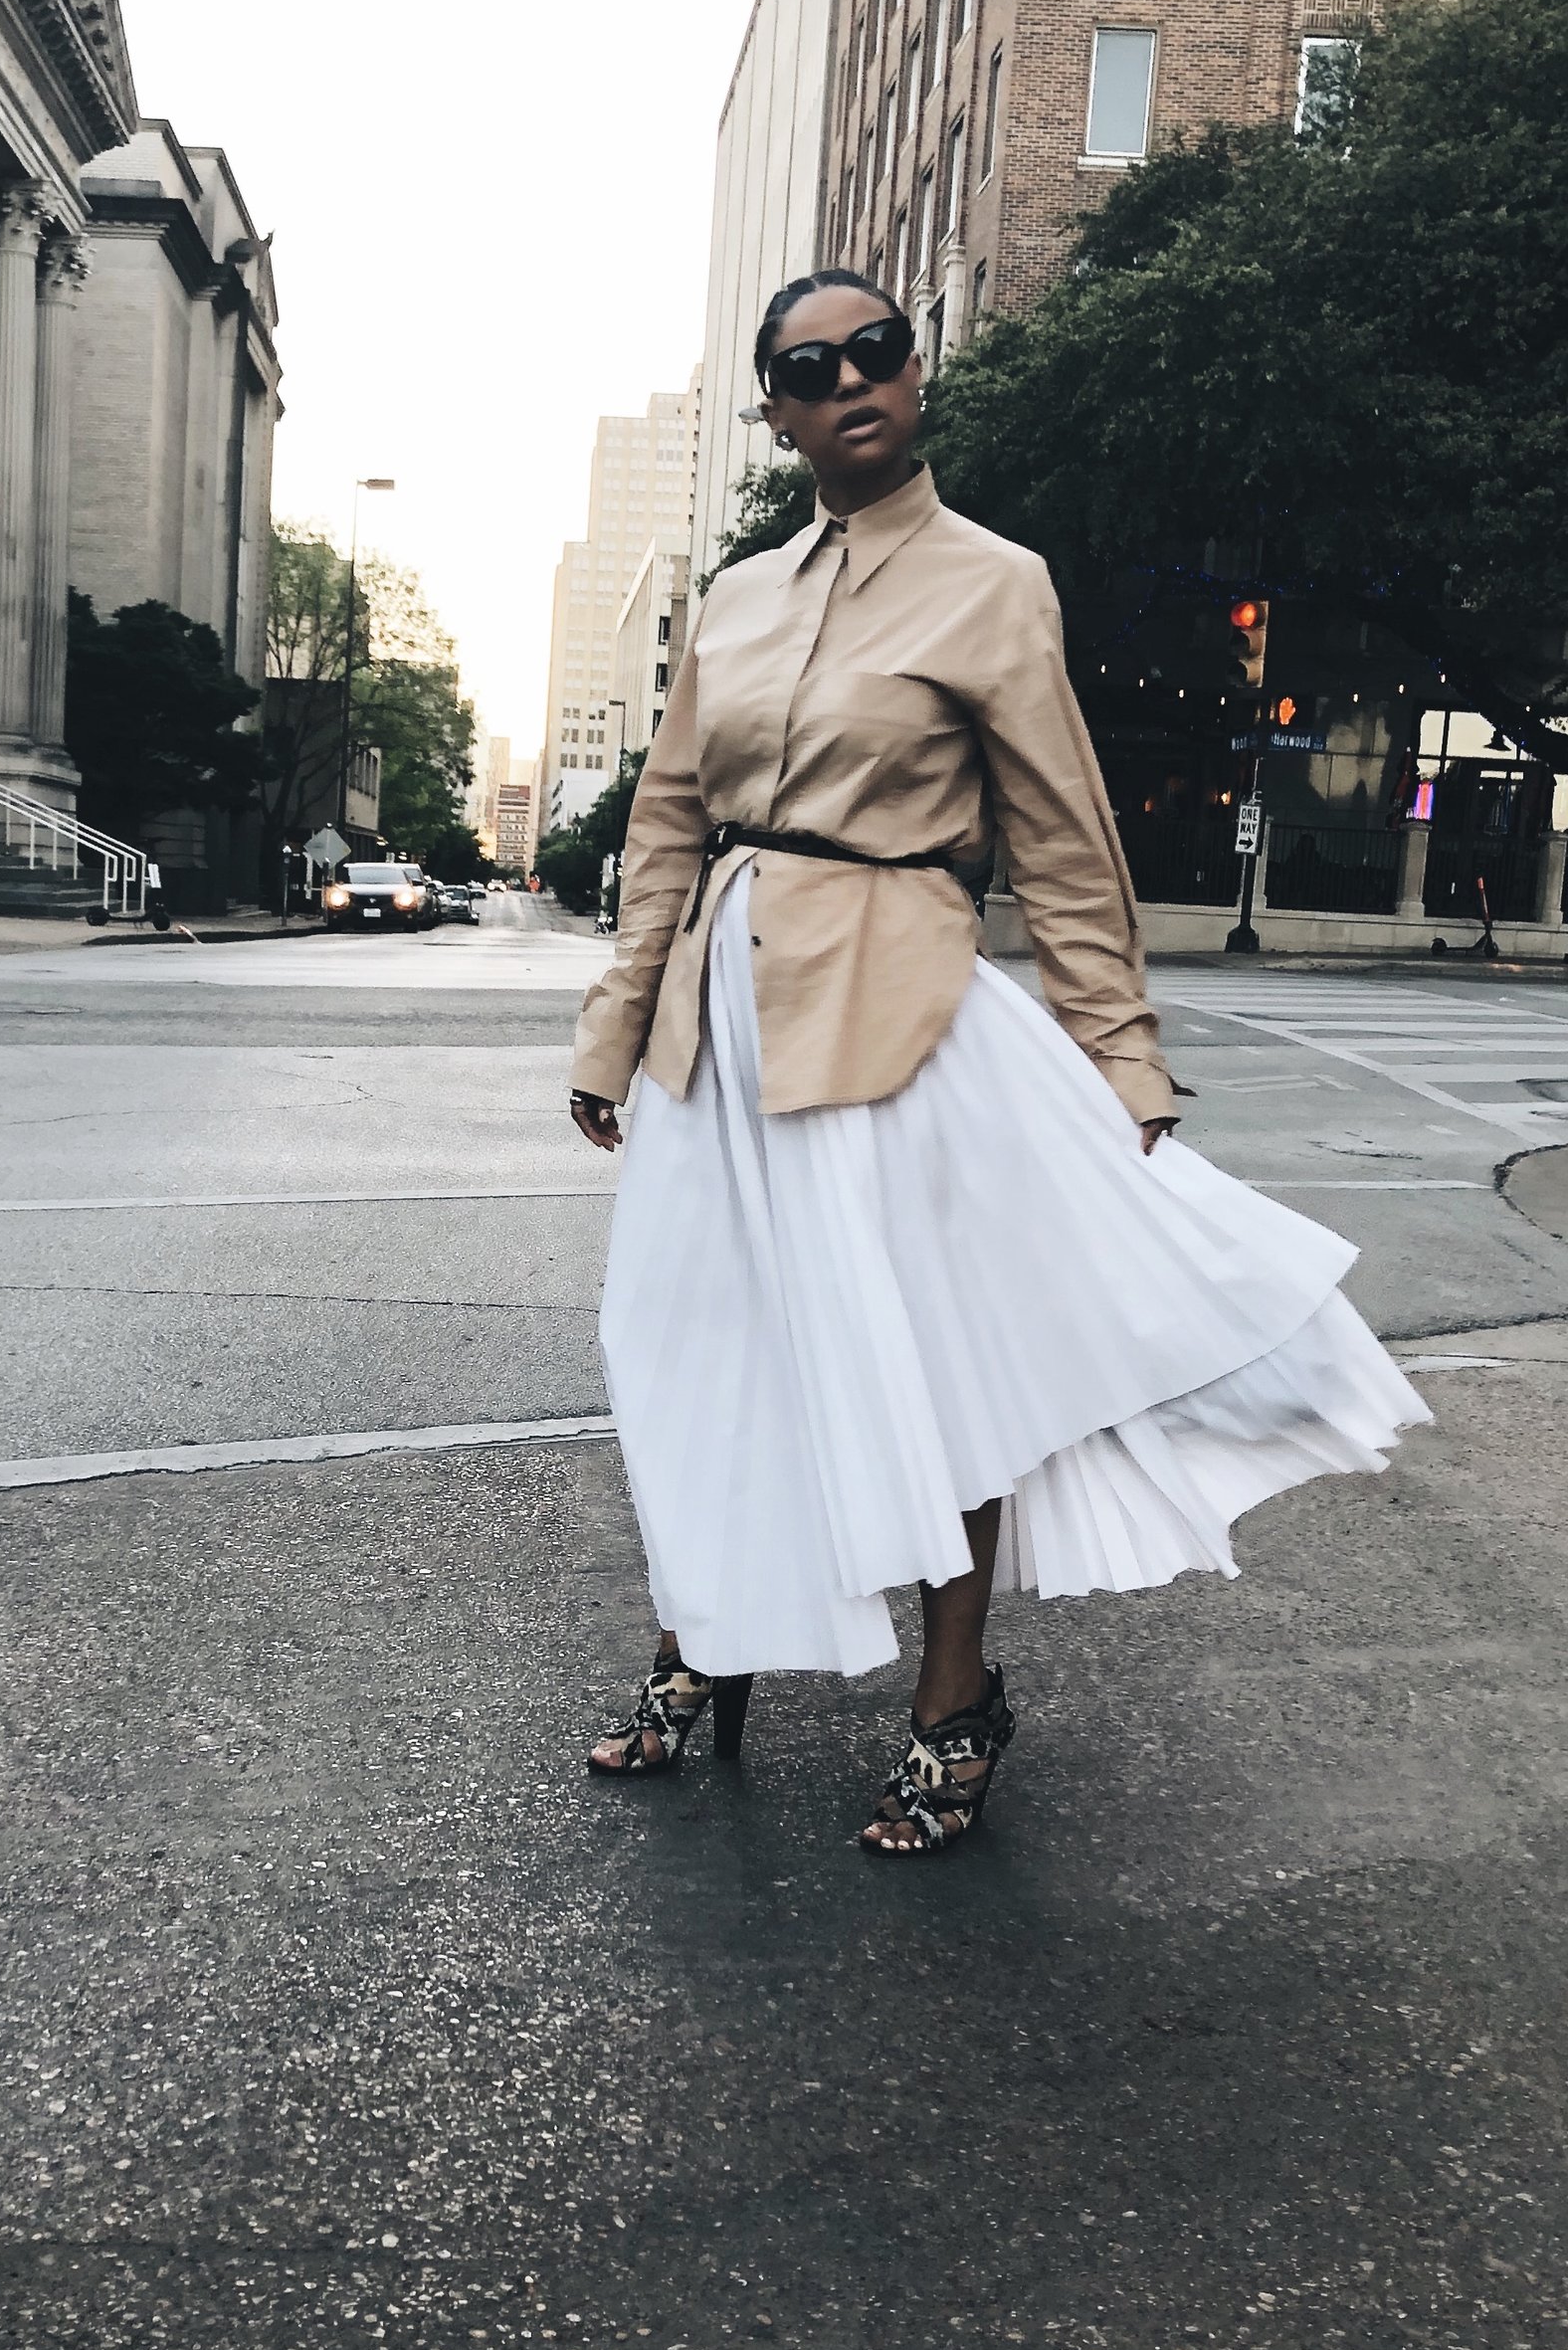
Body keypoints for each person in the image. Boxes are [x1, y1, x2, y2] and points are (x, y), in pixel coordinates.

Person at [569, 272, 1428, 1852]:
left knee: (930, 1364)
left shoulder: (993, 581)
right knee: (692, 1347)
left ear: (918, 372)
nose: (853, 384)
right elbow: (670, 824)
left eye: (878, 352)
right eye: (811, 369)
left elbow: (1062, 833)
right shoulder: (742, 597)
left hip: (894, 1010)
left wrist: (1122, 1053)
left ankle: (955, 1699)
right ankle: (705, 1634)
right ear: (777, 410)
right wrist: (617, 1024)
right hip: (722, 1023)